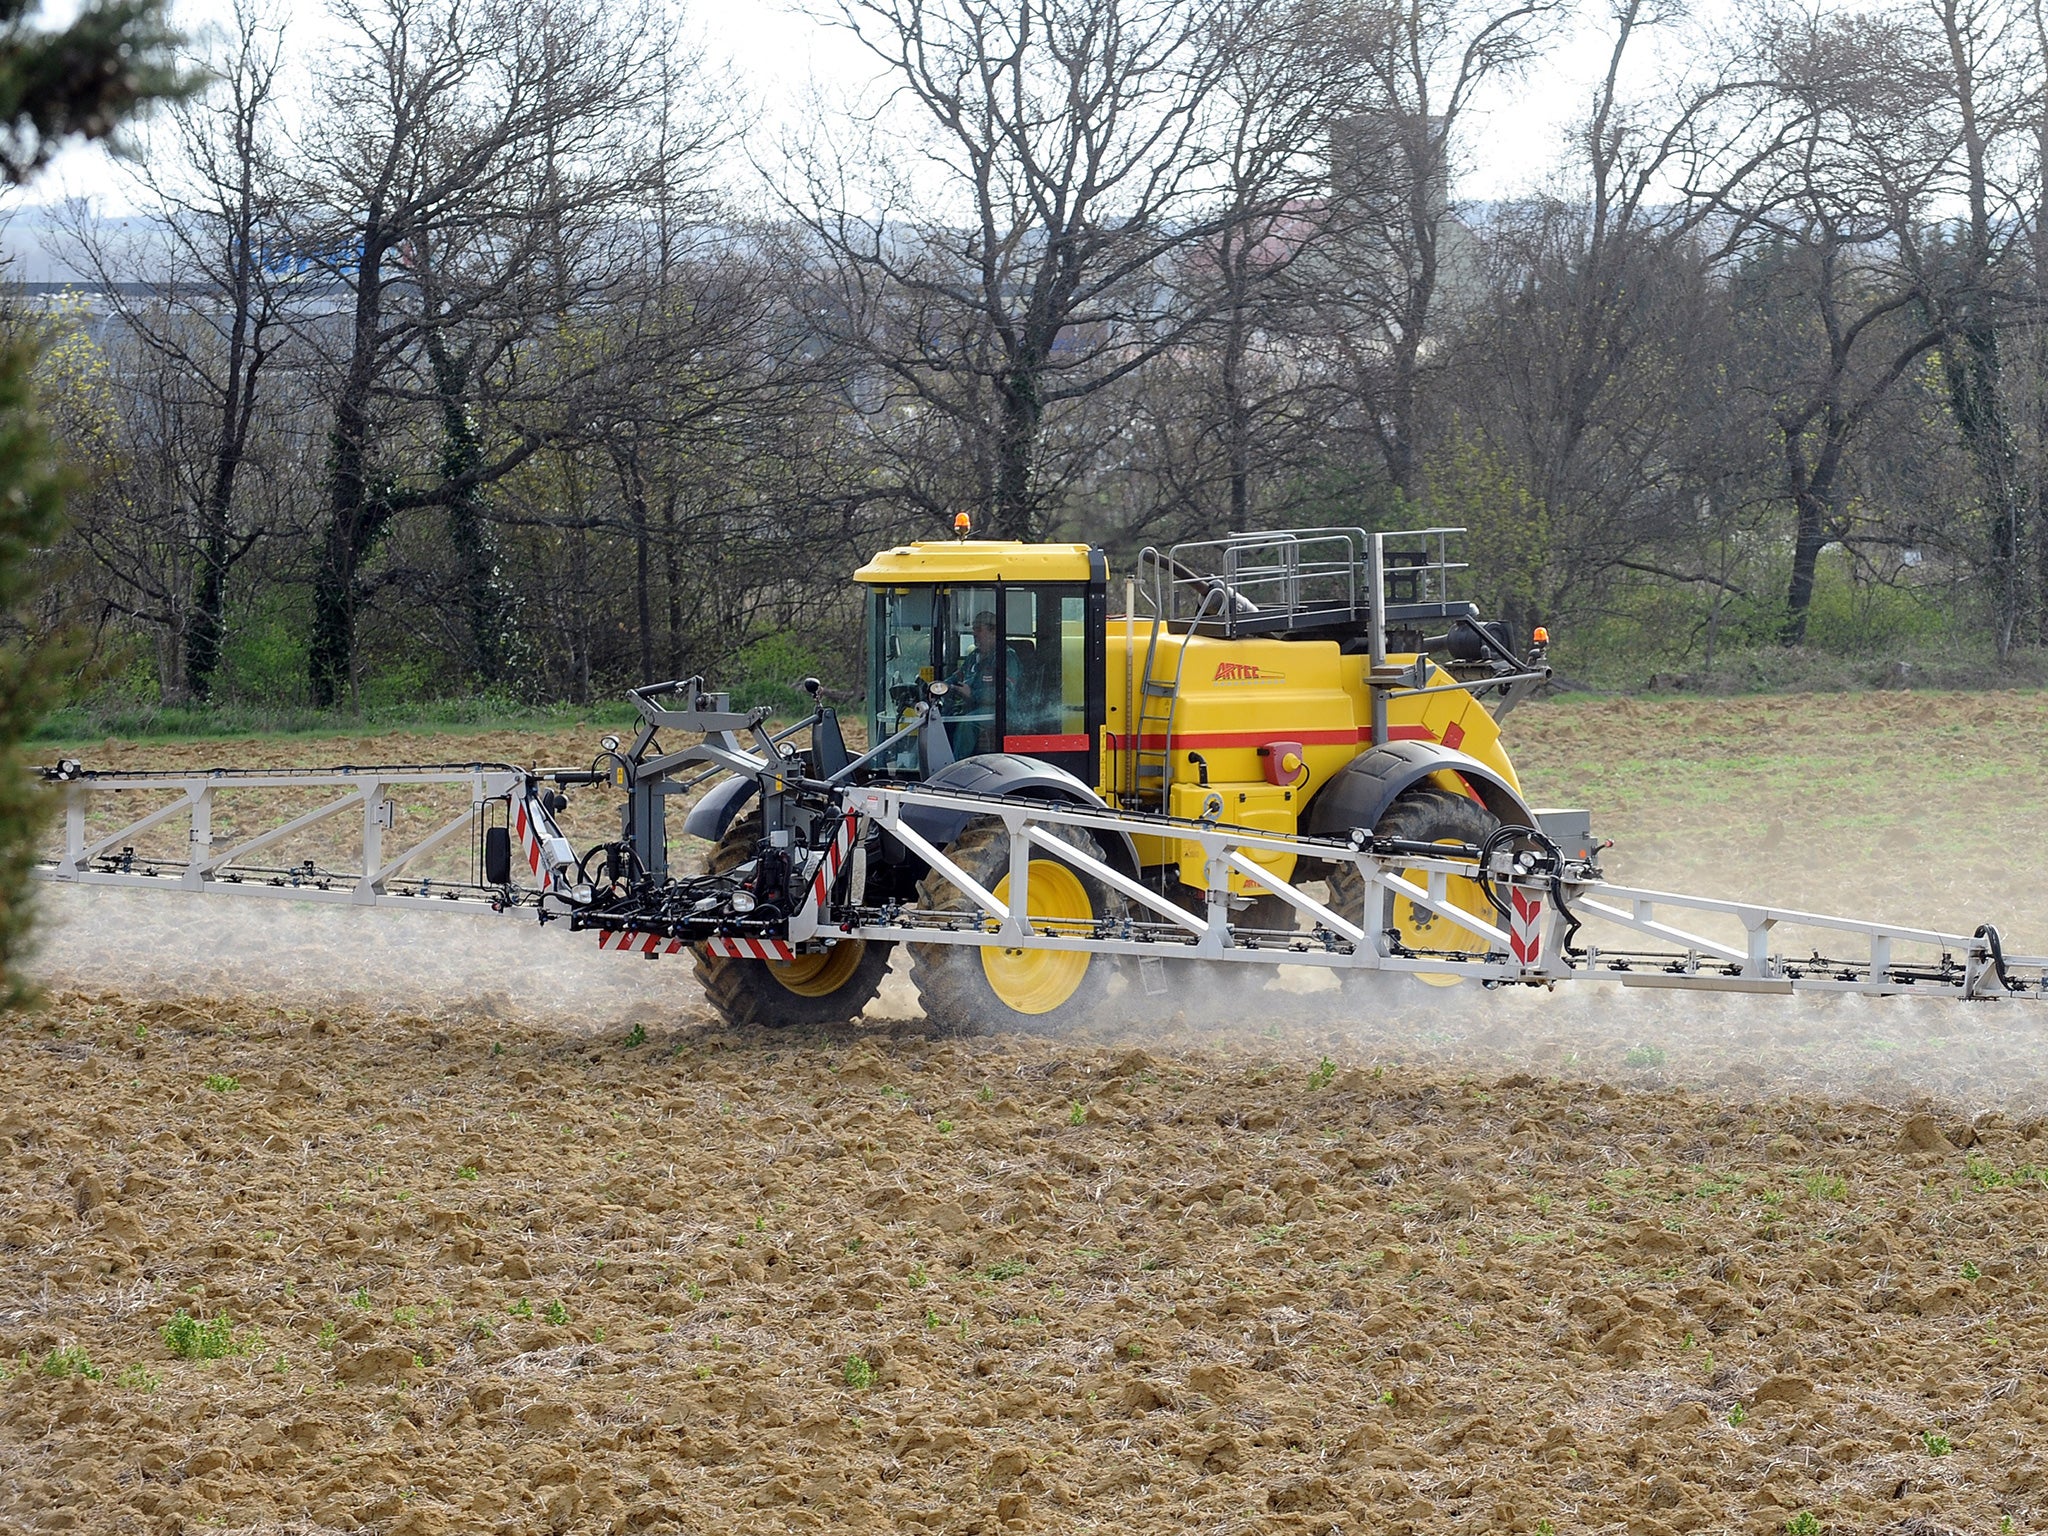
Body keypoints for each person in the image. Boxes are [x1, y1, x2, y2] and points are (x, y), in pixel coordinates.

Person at [944, 609, 1018, 753]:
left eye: (978, 630)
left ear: (994, 632)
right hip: (975, 708)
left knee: (967, 723)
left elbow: (1006, 692)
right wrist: (941, 686)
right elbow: (956, 677)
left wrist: (973, 694)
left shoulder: (1007, 657)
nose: (974, 634)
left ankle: (958, 767)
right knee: (944, 718)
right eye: (973, 630)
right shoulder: (974, 657)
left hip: (1003, 712)